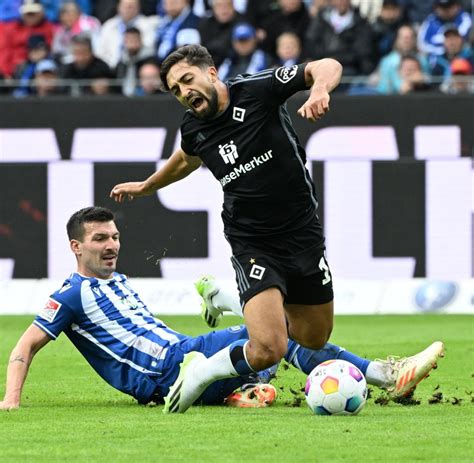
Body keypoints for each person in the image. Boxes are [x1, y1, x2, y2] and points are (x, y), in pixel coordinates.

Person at [109, 44, 444, 413]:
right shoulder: (193, 127)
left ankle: (226, 299)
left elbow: (326, 65)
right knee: (269, 347)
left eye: (187, 80)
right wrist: (147, 186)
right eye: (175, 90)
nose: (184, 92)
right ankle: (202, 371)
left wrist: (318, 90)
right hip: (251, 239)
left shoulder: (254, 90)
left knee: (313, 336)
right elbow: (185, 160)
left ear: (211, 73)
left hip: (302, 232)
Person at [0, 206, 444, 411]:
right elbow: (25, 346)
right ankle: (385, 375)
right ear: (76, 247)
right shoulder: (71, 295)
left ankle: (241, 386)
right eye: (101, 239)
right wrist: (10, 401)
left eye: (114, 236)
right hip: (170, 371)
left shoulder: (120, 282)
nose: (112, 245)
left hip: (186, 352)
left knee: (268, 343)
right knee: (278, 334)